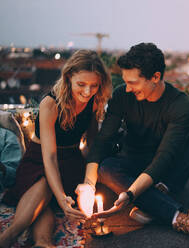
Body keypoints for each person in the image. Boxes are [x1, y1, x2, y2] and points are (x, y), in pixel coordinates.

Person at [76, 42, 189, 245]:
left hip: (169, 168)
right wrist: (88, 184)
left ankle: (169, 209)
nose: (127, 88)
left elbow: (165, 156)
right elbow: (103, 140)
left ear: (155, 77)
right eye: (125, 81)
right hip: (134, 161)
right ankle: (168, 209)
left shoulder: (180, 104)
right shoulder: (122, 95)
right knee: (106, 168)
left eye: (133, 82)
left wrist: (130, 193)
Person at [0, 50, 112, 248]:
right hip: (39, 158)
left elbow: (92, 144)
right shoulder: (50, 103)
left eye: (94, 85)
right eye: (81, 84)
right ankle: (13, 236)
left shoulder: (94, 100)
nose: (88, 91)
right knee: (46, 188)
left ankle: (42, 242)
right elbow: (49, 157)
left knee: (45, 199)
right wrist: (61, 198)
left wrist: (89, 181)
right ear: (69, 77)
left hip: (71, 159)